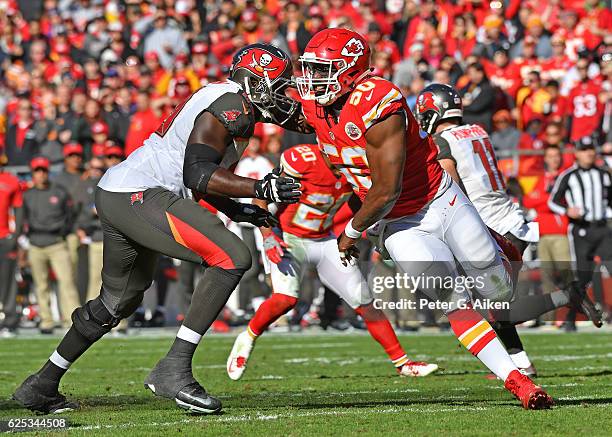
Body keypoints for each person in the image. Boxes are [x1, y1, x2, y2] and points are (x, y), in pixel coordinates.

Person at [13, 44, 302, 415]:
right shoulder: (231, 107)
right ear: (254, 82)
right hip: (140, 193)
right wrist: (260, 187)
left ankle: (41, 385)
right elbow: (196, 174)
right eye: (277, 86)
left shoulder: (227, 102)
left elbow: (200, 181)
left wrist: (242, 210)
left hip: (119, 191)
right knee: (232, 256)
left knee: (117, 302)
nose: (282, 96)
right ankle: (174, 369)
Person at [295, 28, 552, 409]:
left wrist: (351, 231)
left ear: (349, 71)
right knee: (452, 298)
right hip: (397, 225)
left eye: (322, 71)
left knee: (498, 292)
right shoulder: (314, 105)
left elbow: (385, 190)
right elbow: (276, 104)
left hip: (437, 200)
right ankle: (517, 382)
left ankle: (500, 245)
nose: (312, 81)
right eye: (311, 70)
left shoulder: (379, 101)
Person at [415, 83, 601, 376]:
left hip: (494, 229)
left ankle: (568, 296)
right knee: (497, 308)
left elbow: (450, 190)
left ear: (433, 111)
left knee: (494, 309)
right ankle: (522, 363)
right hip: (510, 220)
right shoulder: (478, 130)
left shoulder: (443, 141)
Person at [227, 144, 438, 380]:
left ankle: (403, 364)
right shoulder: (303, 160)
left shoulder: (354, 168)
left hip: (325, 240)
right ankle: (247, 337)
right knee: (286, 299)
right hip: (289, 237)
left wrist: (353, 234)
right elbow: (261, 195)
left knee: (365, 300)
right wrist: (267, 236)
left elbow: (362, 204)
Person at [548, 136, 612, 331]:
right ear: (576, 153)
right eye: (584, 150)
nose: (589, 153)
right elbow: (553, 201)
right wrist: (567, 211)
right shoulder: (569, 175)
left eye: (591, 149)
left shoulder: (604, 174)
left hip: (602, 228)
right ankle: (570, 318)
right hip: (581, 230)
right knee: (583, 277)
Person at [21, 156, 80, 334]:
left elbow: (69, 216)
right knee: (41, 284)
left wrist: (62, 233)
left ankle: (70, 320)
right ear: (32, 174)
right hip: (36, 244)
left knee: (66, 281)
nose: (40, 174)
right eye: (37, 171)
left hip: (56, 243)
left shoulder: (59, 192)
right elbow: (23, 219)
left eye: (43, 170)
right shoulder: (28, 195)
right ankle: (46, 320)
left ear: (48, 172)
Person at [523, 145, 573, 322]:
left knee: (567, 276)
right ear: (545, 158)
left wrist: (544, 201)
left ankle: (570, 317)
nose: (553, 159)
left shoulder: (566, 176)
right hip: (543, 234)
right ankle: (550, 319)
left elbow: (560, 201)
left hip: (561, 234)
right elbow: (529, 200)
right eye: (550, 156)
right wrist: (547, 201)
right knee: (547, 279)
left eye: (556, 156)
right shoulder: (542, 178)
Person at [0, 154, 23, 336]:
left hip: (4, 237)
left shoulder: (10, 181)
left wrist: (14, 236)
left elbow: (19, 209)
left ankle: (9, 319)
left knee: (8, 280)